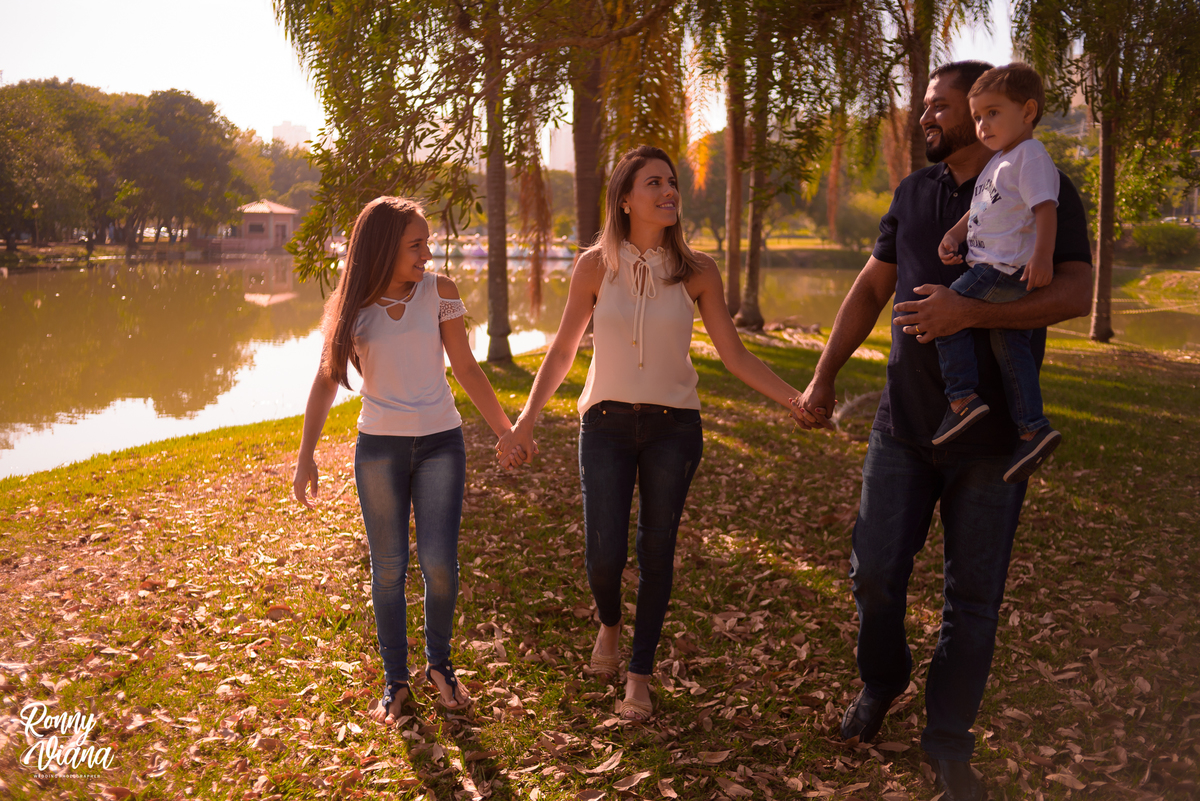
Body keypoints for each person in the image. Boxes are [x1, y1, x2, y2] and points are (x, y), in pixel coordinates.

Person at [795, 61, 1092, 801]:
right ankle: (882, 679)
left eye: (940, 106)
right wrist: (824, 374)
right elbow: (871, 287)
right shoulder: (915, 194)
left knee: (973, 600)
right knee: (875, 572)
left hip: (992, 443)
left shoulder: (1043, 181)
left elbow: (1077, 292)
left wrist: (972, 313)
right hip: (904, 425)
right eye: (924, 106)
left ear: (991, 111)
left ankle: (948, 740)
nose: (926, 117)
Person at [499, 145, 806, 721]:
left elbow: (734, 355)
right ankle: (609, 622)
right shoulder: (594, 266)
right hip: (606, 423)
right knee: (603, 555)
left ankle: (639, 672)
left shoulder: (697, 271)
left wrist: (795, 397)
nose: (669, 192)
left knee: (656, 549)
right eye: (654, 183)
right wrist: (524, 422)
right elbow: (564, 349)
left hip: (674, 427)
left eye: (672, 183)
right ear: (624, 199)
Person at [293, 197, 519, 723]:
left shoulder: (440, 292)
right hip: (380, 449)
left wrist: (505, 430)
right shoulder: (354, 307)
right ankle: (396, 683)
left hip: (441, 441)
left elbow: (465, 366)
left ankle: (439, 664)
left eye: (426, 242)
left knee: (439, 564)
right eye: (416, 244)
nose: (426, 252)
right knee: (388, 567)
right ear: (384, 248)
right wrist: (306, 455)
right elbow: (326, 383)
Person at [932, 63, 1063, 483]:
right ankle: (1033, 429)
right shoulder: (999, 161)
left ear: (1027, 111)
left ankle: (962, 400)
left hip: (1002, 270)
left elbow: (1045, 208)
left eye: (992, 113)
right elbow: (982, 208)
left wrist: (1042, 257)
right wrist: (955, 234)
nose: (982, 125)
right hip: (991, 266)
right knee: (1012, 352)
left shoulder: (1031, 156)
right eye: (976, 117)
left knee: (942, 312)